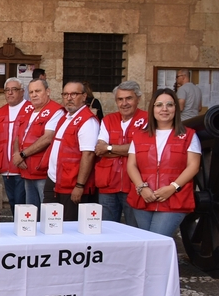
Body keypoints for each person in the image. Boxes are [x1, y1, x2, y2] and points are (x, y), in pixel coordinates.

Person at [127, 88, 201, 237]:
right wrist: (142, 188)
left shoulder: (189, 135)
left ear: (176, 109)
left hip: (174, 199)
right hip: (144, 198)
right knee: (146, 243)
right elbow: (131, 165)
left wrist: (172, 187)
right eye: (159, 105)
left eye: (170, 105)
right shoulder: (139, 135)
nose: (164, 109)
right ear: (152, 108)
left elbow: (193, 166)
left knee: (157, 240)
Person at [93, 80, 148, 226]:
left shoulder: (148, 120)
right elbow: (99, 150)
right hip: (108, 184)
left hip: (134, 185)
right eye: (120, 99)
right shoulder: (108, 120)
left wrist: (109, 148)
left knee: (134, 230)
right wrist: (129, 150)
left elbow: (144, 150)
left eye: (129, 98)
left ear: (138, 99)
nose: (124, 103)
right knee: (106, 229)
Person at [44, 81, 100, 221]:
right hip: (55, 180)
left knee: (69, 226)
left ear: (84, 96)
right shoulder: (65, 118)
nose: (69, 98)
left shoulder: (87, 121)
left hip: (72, 184)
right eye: (65, 94)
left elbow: (88, 154)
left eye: (74, 94)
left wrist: (80, 186)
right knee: (49, 224)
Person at [12, 78, 64, 211]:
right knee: (31, 212)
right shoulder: (29, 111)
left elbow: (48, 138)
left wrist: (23, 154)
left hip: (42, 171)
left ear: (48, 91)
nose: (34, 94)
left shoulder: (56, 111)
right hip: (26, 169)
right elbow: (18, 135)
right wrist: (17, 154)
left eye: (38, 91)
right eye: (31, 92)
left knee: (46, 212)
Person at [0, 78, 34, 216]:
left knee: (21, 201)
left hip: (23, 164)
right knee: (12, 200)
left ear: (22, 92)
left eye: (14, 89)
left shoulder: (31, 109)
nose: (10, 93)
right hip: (6, 166)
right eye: (7, 90)